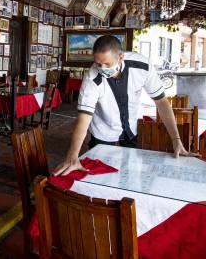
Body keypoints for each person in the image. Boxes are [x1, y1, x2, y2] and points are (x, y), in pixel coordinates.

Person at [54, 35, 196, 176]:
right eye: (98, 64)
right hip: (103, 130)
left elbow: (162, 103)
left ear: (121, 57)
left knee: (131, 172)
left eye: (107, 64)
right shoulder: (91, 78)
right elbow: (83, 119)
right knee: (99, 175)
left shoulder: (142, 66)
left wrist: (176, 140)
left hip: (131, 128)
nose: (102, 69)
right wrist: (72, 155)